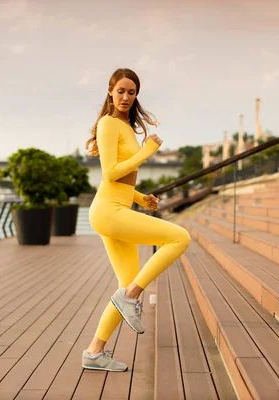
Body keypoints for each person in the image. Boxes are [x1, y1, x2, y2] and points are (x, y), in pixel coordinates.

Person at [81, 68, 191, 372]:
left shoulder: (126, 127)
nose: (126, 97)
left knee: (125, 284)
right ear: (110, 92)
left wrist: (141, 198)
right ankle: (133, 297)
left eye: (131, 92)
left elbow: (123, 182)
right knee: (180, 237)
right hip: (107, 211)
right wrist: (146, 153)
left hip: (117, 208)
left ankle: (94, 352)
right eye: (121, 91)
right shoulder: (107, 123)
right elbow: (110, 173)